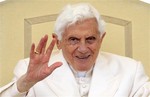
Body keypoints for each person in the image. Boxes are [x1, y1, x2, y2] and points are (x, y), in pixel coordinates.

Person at [0, 3, 150, 97]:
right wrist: (26, 83)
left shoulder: (131, 70)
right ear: (58, 41)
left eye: (90, 39)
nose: (83, 48)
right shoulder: (29, 69)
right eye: (73, 40)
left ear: (101, 38)